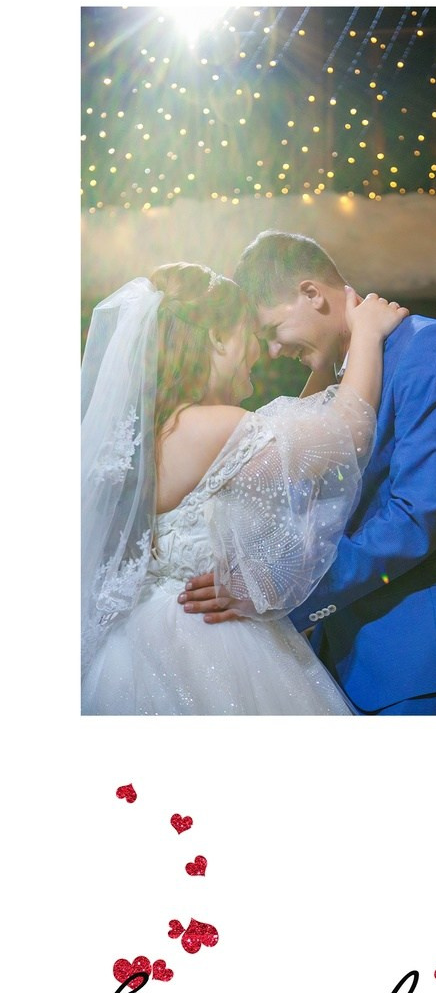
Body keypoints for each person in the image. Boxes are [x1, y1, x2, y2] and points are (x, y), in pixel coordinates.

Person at [177, 231, 436, 715]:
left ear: (312, 294)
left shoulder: (430, 348)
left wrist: (278, 589)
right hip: (334, 657)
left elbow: (415, 519)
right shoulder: (339, 379)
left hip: (419, 657)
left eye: (273, 330)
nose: (272, 352)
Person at [81, 263, 403, 713]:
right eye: (250, 334)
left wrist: (327, 359)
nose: (261, 351)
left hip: (138, 643)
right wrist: (366, 334)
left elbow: (291, 439)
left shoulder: (150, 433)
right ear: (216, 339)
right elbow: (345, 436)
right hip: (207, 643)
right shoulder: (207, 427)